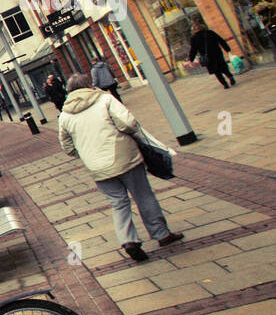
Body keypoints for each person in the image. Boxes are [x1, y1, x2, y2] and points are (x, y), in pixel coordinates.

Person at [57, 74, 182, 262]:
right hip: (125, 158)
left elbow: (67, 147)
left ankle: (129, 240)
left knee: (118, 203)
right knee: (143, 196)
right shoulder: (105, 99)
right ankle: (162, 234)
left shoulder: (64, 115)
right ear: (89, 85)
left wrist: (86, 153)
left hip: (97, 167)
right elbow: (129, 123)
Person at [187, 20, 236, 88]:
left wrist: (191, 59)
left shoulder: (194, 38)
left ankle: (225, 84)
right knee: (223, 67)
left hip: (207, 56)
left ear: (193, 30)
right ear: (202, 27)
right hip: (217, 53)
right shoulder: (210, 32)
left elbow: (193, 49)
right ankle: (230, 77)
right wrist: (227, 49)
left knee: (216, 71)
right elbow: (220, 40)